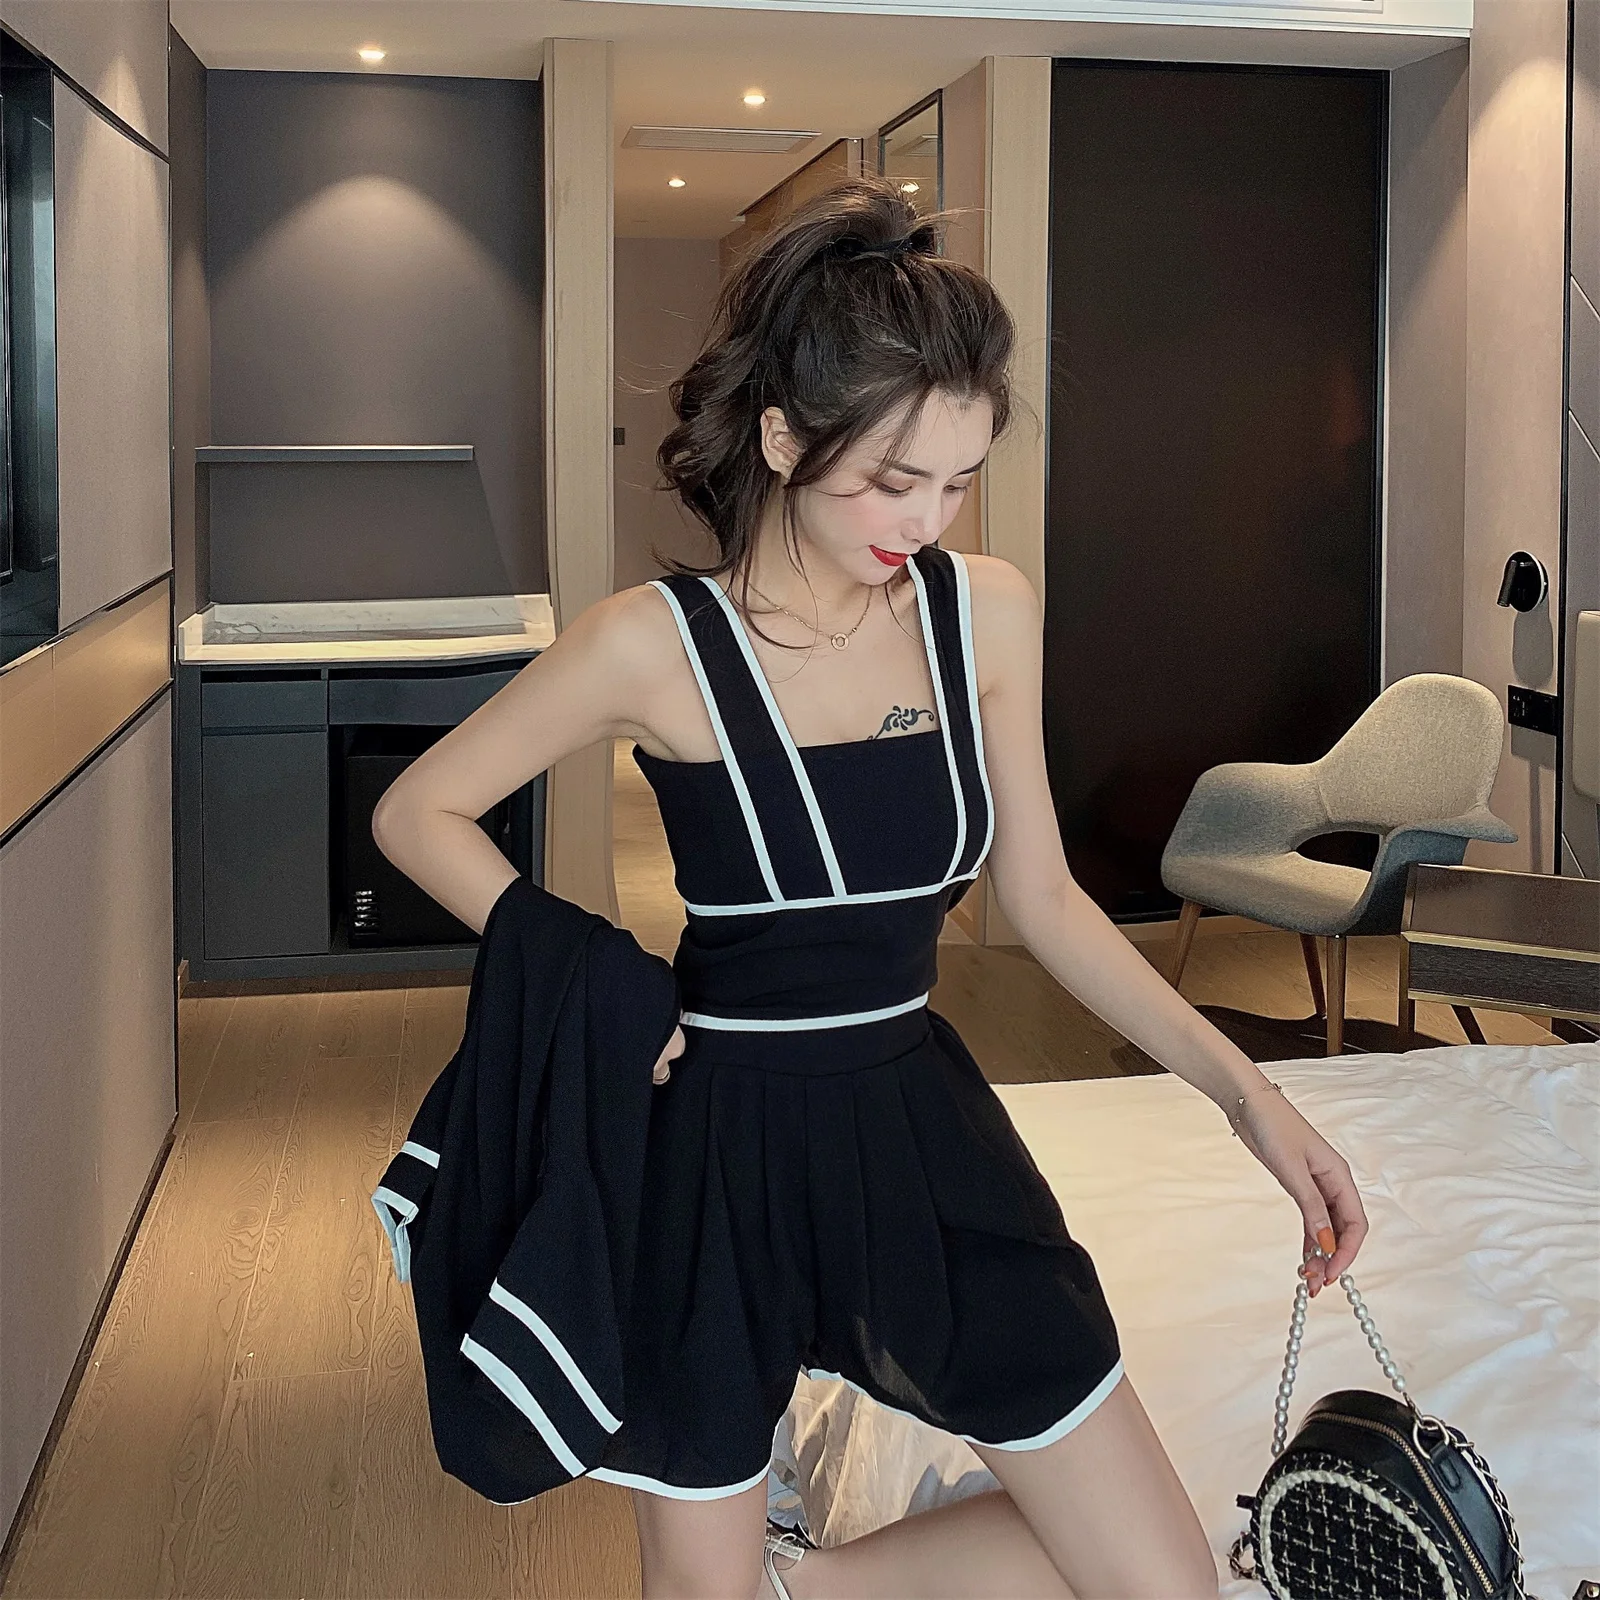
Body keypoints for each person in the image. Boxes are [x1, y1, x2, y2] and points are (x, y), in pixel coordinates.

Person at [372, 175, 1368, 1600]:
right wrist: (602, 980)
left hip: (915, 1122)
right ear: (784, 437)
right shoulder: (655, 643)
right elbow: (420, 812)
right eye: (893, 480)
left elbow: (1046, 899)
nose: (929, 516)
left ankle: (809, 1585)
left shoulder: (986, 611)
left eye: (959, 479)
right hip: (711, 1146)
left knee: (1165, 1582)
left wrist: (1250, 1099)